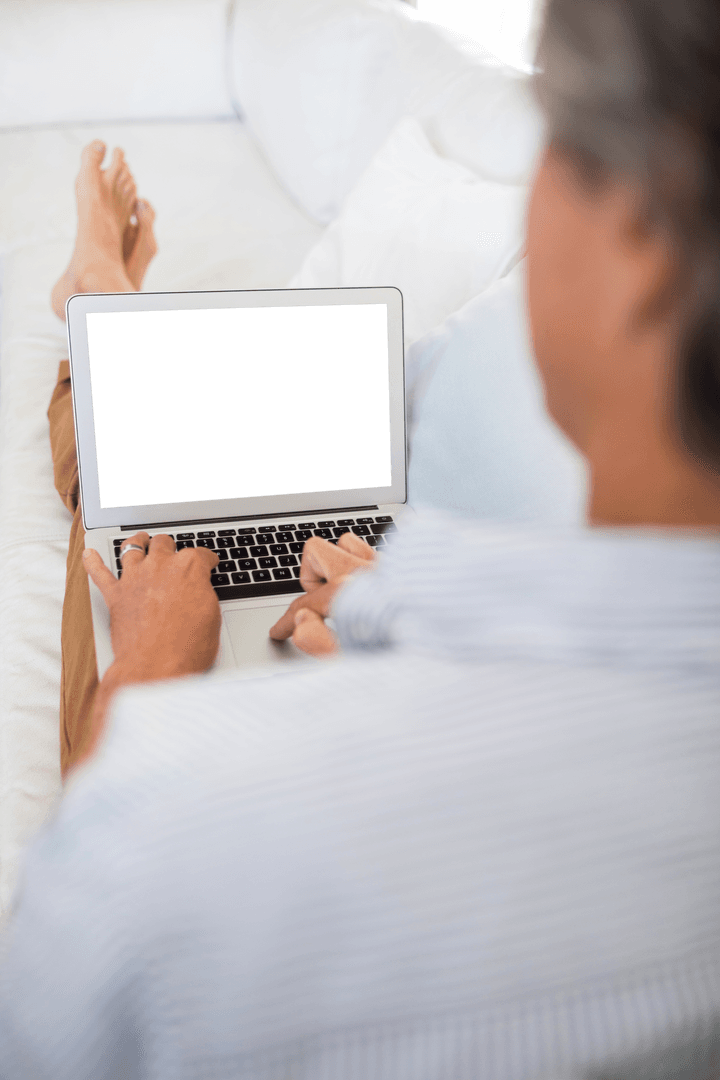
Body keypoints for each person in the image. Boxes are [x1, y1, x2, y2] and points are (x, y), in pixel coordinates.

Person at [2, 0, 720, 1074]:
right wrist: (400, 620)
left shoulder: (164, 813)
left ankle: (94, 313)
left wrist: (149, 671)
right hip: (376, 577)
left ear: (633, 239)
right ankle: (100, 309)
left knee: (133, 514)